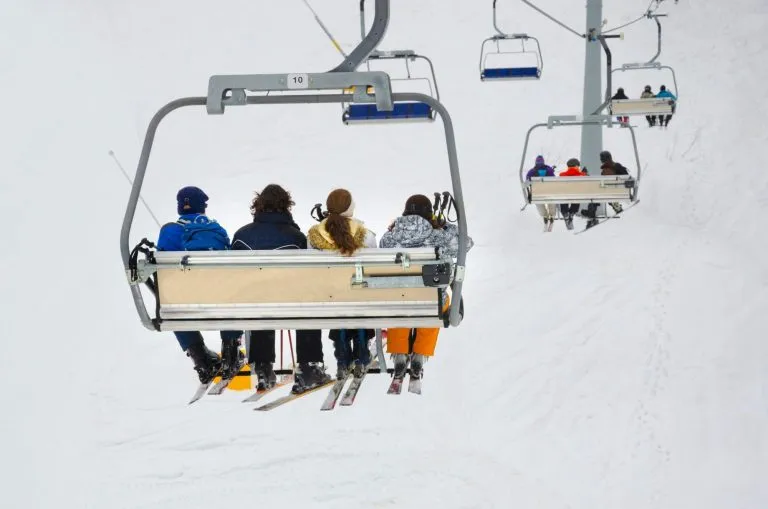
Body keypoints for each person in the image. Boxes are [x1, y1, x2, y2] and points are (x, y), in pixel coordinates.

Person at [231, 184, 331, 394]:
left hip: (251, 301)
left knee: (259, 297)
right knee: (306, 301)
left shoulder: (241, 235)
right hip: (288, 300)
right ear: (286, 206)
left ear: (257, 206)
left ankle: (263, 366)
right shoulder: (294, 237)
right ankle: (309, 366)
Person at [379, 195, 473, 382]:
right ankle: (420, 355)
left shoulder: (390, 237)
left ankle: (399, 353)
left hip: (399, 299)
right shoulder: (438, 236)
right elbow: (466, 244)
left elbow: (380, 252)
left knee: (401, 304)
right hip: (432, 301)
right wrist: (444, 226)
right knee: (435, 300)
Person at [156, 186, 244, 384]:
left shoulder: (169, 231)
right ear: (203, 207)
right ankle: (230, 353)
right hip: (220, 298)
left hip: (183, 303)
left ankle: (201, 358)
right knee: (233, 294)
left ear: (180, 208)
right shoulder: (217, 229)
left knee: (171, 300)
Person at [308, 189, 377, 380]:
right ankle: (362, 353)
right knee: (358, 294)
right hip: (358, 293)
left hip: (329, 295)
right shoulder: (366, 235)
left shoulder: (314, 235)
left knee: (338, 299)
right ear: (350, 209)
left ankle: (342, 357)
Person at [583, 151, 630, 227]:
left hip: (610, 191)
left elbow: (604, 183)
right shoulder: (617, 166)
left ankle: (591, 216)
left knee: (594, 196)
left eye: (601, 158)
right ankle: (615, 206)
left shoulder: (606, 170)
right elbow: (626, 177)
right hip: (620, 191)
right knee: (599, 194)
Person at [525, 155, 556, 228]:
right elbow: (554, 180)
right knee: (551, 200)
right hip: (549, 192)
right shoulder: (549, 170)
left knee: (538, 201)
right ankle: (552, 215)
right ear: (543, 162)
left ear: (536, 163)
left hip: (538, 194)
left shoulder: (531, 171)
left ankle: (544, 216)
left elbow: (527, 181)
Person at [558, 158, 587, 230]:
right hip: (576, 196)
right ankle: (572, 213)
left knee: (563, 197)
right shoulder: (582, 175)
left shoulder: (562, 175)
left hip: (565, 196)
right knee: (577, 196)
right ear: (576, 166)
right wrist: (585, 174)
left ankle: (565, 213)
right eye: (578, 166)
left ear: (568, 167)